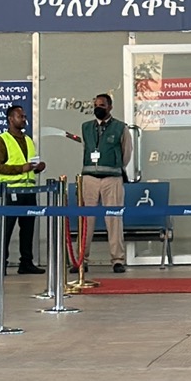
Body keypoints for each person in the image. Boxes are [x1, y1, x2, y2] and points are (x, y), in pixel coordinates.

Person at [0, 104, 45, 275]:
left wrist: (37, 168)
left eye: (24, 116)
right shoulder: (2, 140)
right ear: (10, 119)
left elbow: (30, 164)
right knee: (6, 230)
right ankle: (1, 264)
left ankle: (26, 263)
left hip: (29, 190)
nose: (24, 119)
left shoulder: (28, 140)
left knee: (28, 229)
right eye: (20, 116)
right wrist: (22, 168)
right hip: (10, 191)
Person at [79, 93, 131, 274]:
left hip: (112, 178)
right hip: (89, 178)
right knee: (87, 219)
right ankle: (81, 259)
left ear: (110, 107)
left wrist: (115, 166)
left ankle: (117, 260)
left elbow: (126, 152)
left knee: (114, 219)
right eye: (95, 105)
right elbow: (86, 148)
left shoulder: (120, 128)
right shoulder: (86, 127)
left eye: (101, 105)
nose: (97, 108)